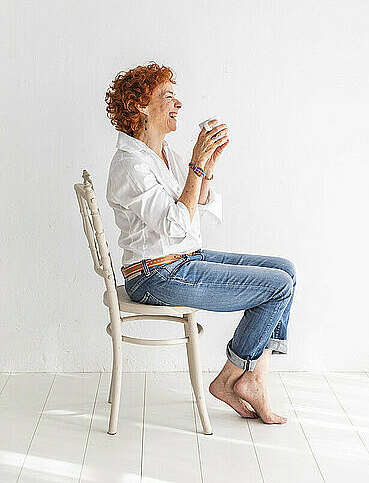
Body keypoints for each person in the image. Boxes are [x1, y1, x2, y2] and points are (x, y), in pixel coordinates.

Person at [105, 61, 297, 424]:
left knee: (284, 270)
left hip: (180, 259)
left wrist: (206, 166)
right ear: (140, 106)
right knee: (278, 287)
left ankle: (253, 378)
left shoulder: (162, 155)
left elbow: (197, 203)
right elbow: (177, 224)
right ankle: (232, 378)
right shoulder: (130, 165)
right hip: (155, 275)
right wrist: (195, 164)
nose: (177, 103)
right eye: (168, 95)